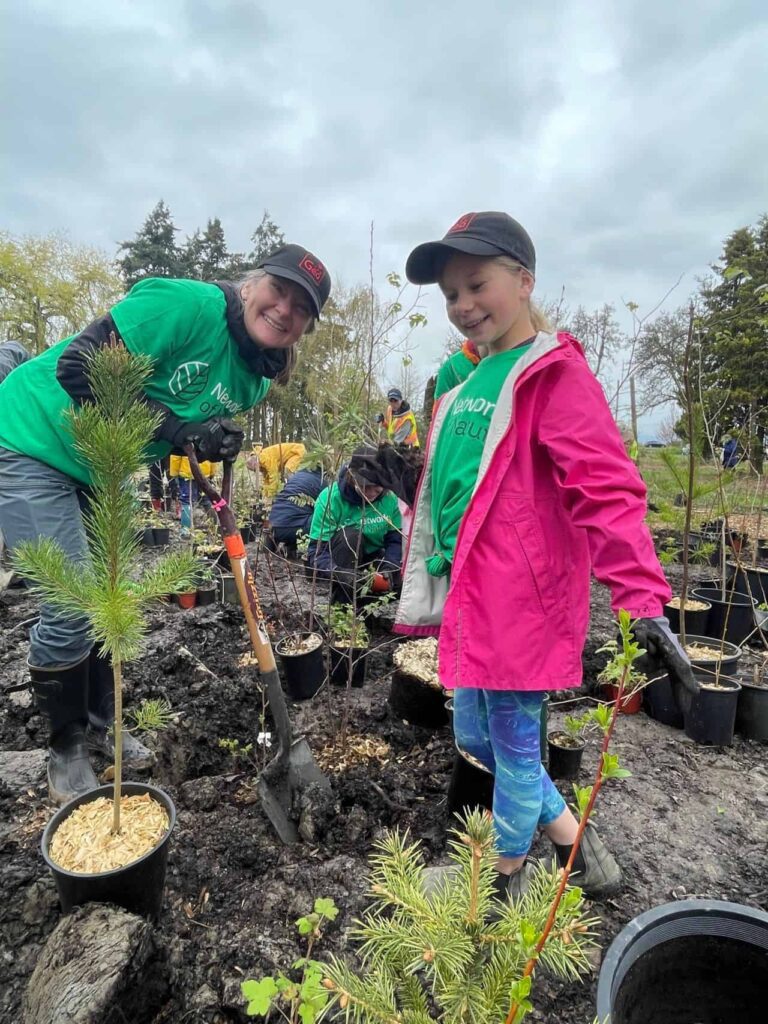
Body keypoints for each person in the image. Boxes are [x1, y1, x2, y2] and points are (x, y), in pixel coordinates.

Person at [387, 210, 698, 902]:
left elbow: (608, 489)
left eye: (477, 285)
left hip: (521, 602)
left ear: (524, 280)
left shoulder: (551, 376)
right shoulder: (465, 380)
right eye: (451, 296)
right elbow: (461, 483)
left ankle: (500, 885)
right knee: (479, 736)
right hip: (473, 595)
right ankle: (579, 850)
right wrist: (403, 477)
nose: (464, 306)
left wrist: (642, 601)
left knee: (515, 749)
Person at [0, 243, 331, 803]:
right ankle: (66, 747)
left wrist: (215, 438)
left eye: (302, 308)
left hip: (98, 470)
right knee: (72, 604)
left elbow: (185, 426)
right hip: (31, 437)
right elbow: (77, 368)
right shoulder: (183, 306)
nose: (284, 310)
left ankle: (104, 721)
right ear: (251, 285)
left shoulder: (255, 377)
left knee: (110, 596)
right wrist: (179, 430)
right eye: (279, 290)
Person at [307, 445, 402, 602]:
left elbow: (395, 540)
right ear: (352, 478)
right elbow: (316, 553)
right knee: (351, 536)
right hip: (343, 560)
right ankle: (343, 606)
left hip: (375, 558)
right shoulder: (331, 499)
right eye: (365, 487)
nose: (371, 494)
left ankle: (367, 610)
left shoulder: (391, 499)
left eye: (377, 488)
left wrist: (390, 566)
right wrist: (338, 572)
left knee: (403, 583)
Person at [267, 460, 327, 554]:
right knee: (321, 517)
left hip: (274, 524)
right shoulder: (322, 482)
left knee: (297, 511)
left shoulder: (296, 477)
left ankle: (287, 546)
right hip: (297, 529)